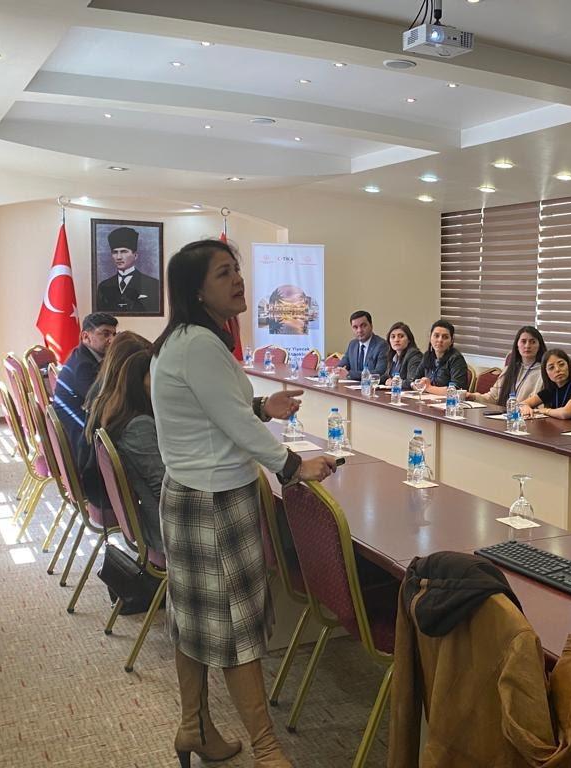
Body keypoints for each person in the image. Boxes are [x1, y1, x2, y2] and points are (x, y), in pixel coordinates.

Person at [151, 239, 336, 768]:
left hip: (190, 494)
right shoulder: (200, 344)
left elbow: (213, 409)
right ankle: (266, 749)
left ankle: (194, 726)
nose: (238, 280)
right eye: (223, 273)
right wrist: (294, 466)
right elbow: (232, 423)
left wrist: (260, 405)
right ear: (196, 290)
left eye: (236, 269)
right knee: (236, 625)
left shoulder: (184, 340)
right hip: (213, 502)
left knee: (195, 618)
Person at [85, 349, 164, 551]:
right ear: (138, 381)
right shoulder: (139, 426)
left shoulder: (118, 410)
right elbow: (162, 488)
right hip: (164, 528)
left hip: (157, 517)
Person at [53, 312, 118, 453]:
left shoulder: (84, 355)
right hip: (80, 440)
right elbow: (103, 403)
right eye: (105, 334)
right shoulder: (83, 366)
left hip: (82, 427)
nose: (112, 340)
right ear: (85, 337)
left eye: (114, 335)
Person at [466, 326, 546, 407]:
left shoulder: (544, 373)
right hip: (504, 413)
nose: (527, 346)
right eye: (523, 341)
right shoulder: (509, 370)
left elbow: (542, 405)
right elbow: (493, 397)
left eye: (533, 342)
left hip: (527, 414)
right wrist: (474, 397)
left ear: (539, 346)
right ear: (517, 345)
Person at [95, 226, 161, 313]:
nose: (119, 257)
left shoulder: (153, 284)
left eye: (124, 251)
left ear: (135, 255)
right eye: (115, 252)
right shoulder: (103, 287)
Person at [520, 348, 571, 422]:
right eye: (551, 367)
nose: (557, 369)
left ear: (568, 365)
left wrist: (544, 410)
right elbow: (522, 404)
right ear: (546, 373)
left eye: (561, 364)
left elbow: (566, 413)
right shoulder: (551, 389)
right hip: (557, 428)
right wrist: (526, 408)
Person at [412, 319, 468, 395]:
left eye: (445, 337)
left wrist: (428, 388)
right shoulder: (427, 355)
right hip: (429, 399)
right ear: (430, 337)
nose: (440, 340)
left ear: (451, 341)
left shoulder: (456, 359)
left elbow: (457, 390)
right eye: (436, 336)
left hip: (449, 401)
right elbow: (415, 381)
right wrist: (420, 383)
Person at [335, 310, 388, 379]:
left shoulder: (382, 345)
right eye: (355, 327)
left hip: (372, 385)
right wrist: (337, 370)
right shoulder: (352, 344)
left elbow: (379, 373)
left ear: (371, 326)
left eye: (363, 326)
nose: (359, 330)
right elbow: (342, 365)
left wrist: (349, 374)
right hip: (352, 385)